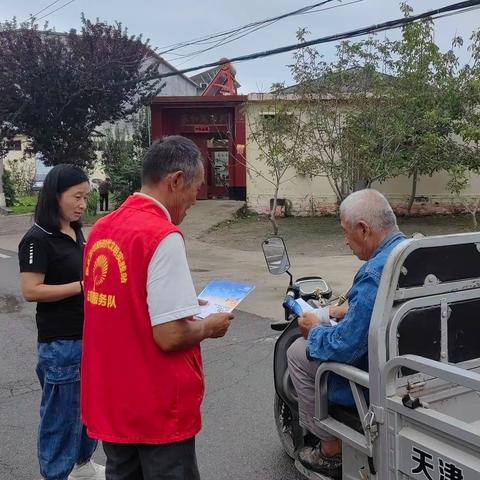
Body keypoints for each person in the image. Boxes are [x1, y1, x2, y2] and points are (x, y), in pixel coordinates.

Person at [81, 135, 234, 480]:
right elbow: (169, 335)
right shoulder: (160, 235)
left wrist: (182, 303)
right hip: (156, 406)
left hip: (113, 399)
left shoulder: (102, 230)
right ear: (176, 180)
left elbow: (125, 301)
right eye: (196, 187)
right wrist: (210, 326)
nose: (197, 197)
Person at [287, 189, 406, 479]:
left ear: (363, 229)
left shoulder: (375, 272)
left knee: (296, 352)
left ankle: (330, 448)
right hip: (408, 363)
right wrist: (349, 310)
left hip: (374, 375)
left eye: (346, 232)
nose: (345, 240)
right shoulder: (412, 252)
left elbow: (346, 346)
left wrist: (313, 331)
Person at [18, 164, 105, 480]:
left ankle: (82, 466)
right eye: (77, 197)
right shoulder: (37, 239)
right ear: (55, 196)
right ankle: (55, 474)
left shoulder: (75, 231)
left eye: (86, 197)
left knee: (87, 411)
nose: (83, 204)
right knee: (60, 417)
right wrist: (82, 286)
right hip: (61, 343)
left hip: (88, 337)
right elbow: (31, 290)